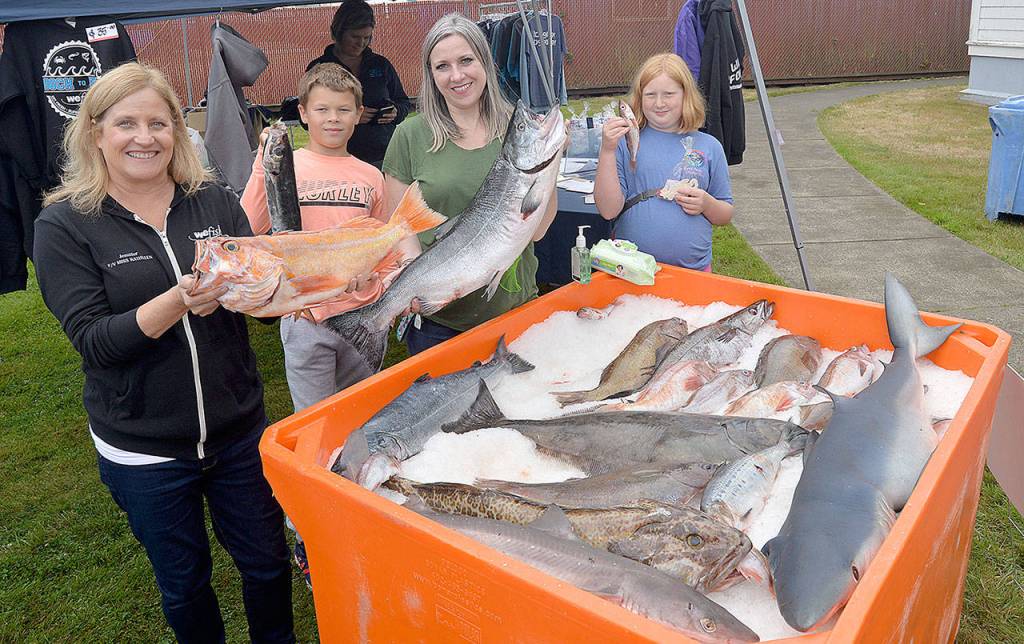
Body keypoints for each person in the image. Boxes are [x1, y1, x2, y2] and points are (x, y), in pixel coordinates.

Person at [33, 62, 294, 643]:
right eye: (126, 123)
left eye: (158, 122)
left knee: (267, 564)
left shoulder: (213, 202)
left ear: (177, 131)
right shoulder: (64, 226)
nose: (144, 137)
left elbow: (258, 297)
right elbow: (97, 343)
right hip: (144, 449)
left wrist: (291, 288)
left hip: (238, 430)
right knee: (185, 585)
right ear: (96, 132)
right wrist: (178, 299)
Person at [381, 13, 560, 355]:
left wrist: (552, 166)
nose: (457, 75)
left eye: (466, 60)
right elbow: (399, 227)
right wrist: (414, 283)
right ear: (430, 75)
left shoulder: (516, 128)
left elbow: (537, 231)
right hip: (441, 326)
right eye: (442, 66)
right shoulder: (409, 136)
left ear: (486, 63)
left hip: (517, 311)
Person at [594, 53, 734, 273]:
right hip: (631, 270)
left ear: (686, 95)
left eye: (668, 94)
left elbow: (725, 214)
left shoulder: (710, 146)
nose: (659, 103)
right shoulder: (624, 143)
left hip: (693, 272)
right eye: (650, 95)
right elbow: (608, 210)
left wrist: (706, 204)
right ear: (639, 99)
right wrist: (607, 150)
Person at [305, 0, 412, 168]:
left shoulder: (381, 64)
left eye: (366, 37)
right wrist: (350, 117)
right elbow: (306, 118)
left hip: (385, 158)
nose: (361, 43)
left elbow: (404, 102)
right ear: (338, 33)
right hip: (338, 159)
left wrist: (395, 112)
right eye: (355, 37)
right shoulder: (318, 68)